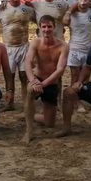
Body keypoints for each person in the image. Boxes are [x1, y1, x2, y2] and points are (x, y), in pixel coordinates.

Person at [23, 15, 69, 144]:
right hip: (37, 79)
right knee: (30, 91)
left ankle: (30, 114)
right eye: (44, 27)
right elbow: (27, 62)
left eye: (49, 26)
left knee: (49, 123)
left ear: (54, 27)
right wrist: (33, 80)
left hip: (51, 83)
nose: (46, 29)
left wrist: (43, 84)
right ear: (39, 28)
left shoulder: (63, 46)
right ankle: (29, 131)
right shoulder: (36, 42)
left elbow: (60, 70)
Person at [0, 0, 36, 109]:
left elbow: (39, 20)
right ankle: (10, 103)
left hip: (24, 46)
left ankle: (26, 102)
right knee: (10, 76)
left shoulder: (27, 9)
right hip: (9, 48)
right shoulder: (0, 9)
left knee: (24, 76)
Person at [63, 0, 91, 84]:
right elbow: (65, 22)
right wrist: (69, 11)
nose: (83, 2)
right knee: (75, 77)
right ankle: (73, 93)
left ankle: (84, 93)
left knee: (85, 79)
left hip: (88, 49)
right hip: (74, 49)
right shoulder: (72, 14)